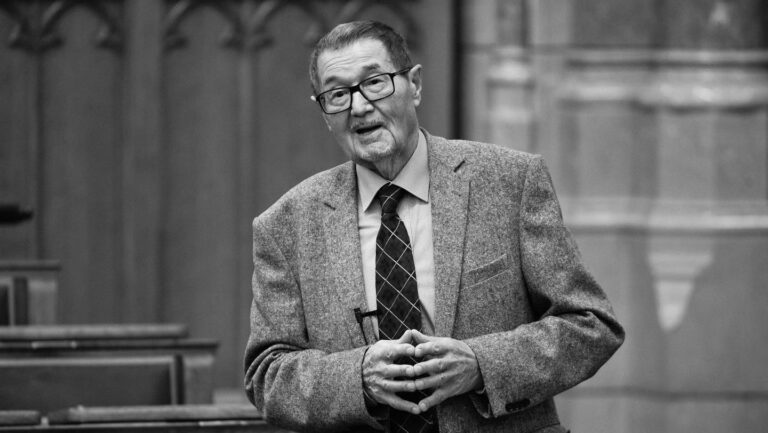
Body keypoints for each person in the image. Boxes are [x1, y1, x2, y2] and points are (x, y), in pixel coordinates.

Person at [244, 20, 624, 433]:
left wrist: (480, 365)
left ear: (415, 85)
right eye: (338, 94)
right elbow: (268, 375)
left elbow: (590, 324)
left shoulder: (510, 182)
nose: (359, 106)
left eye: (375, 82)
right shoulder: (285, 225)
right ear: (324, 113)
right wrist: (358, 377)